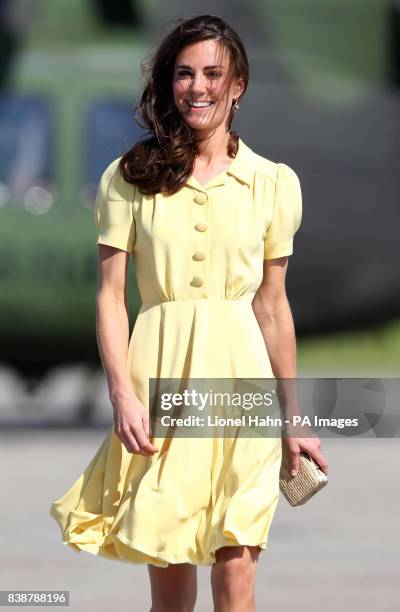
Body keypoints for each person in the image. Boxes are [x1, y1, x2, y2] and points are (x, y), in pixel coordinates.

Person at [50, 14, 328, 612]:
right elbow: (109, 296)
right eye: (183, 73)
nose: (197, 87)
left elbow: (273, 307)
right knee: (171, 592)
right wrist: (122, 392)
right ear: (169, 84)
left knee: (237, 573)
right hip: (162, 389)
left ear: (238, 85)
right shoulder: (129, 177)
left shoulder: (274, 184)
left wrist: (294, 416)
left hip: (241, 389)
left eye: (212, 73)